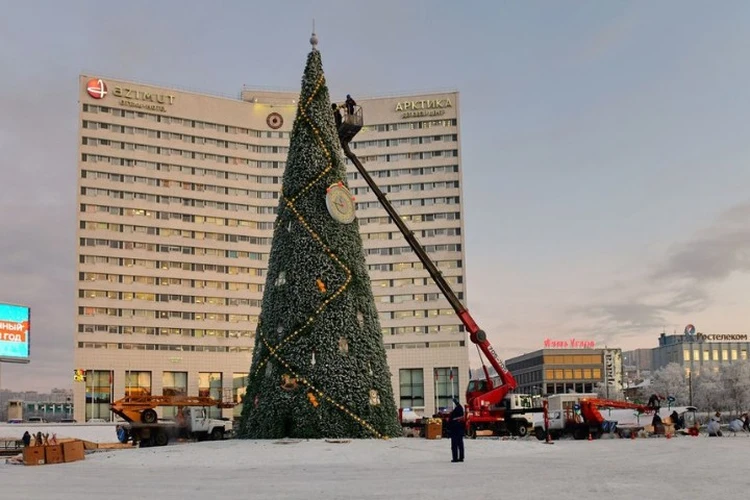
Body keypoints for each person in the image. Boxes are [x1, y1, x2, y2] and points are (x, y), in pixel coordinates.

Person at [448, 397, 464, 463]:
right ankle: (461, 457)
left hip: (454, 430)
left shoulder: (454, 415)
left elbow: (450, 422)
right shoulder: (461, 413)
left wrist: (449, 430)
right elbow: (460, 407)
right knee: (460, 444)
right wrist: (457, 403)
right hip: (460, 429)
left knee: (454, 445)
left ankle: (455, 458)